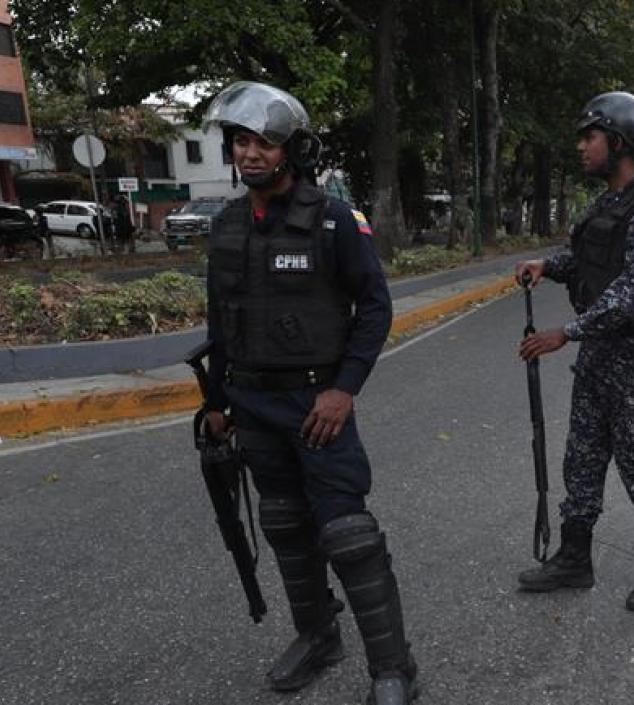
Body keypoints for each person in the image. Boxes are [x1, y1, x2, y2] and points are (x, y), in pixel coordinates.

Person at [199, 81, 416, 705]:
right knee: (285, 525)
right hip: (253, 405)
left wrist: (345, 390)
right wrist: (217, 402)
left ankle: (394, 668)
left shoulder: (334, 219)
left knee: (348, 533)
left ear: (291, 149)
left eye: (264, 142)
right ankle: (318, 638)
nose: (251, 154)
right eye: (241, 141)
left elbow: (375, 308)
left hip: (319, 404)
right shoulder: (228, 225)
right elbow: (222, 321)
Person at [514, 91, 634, 613]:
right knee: (582, 460)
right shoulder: (605, 203)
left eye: (589, 137)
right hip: (597, 360)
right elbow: (591, 262)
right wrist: (548, 265)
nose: (580, 147)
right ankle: (574, 557)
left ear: (618, 141)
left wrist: (566, 331)